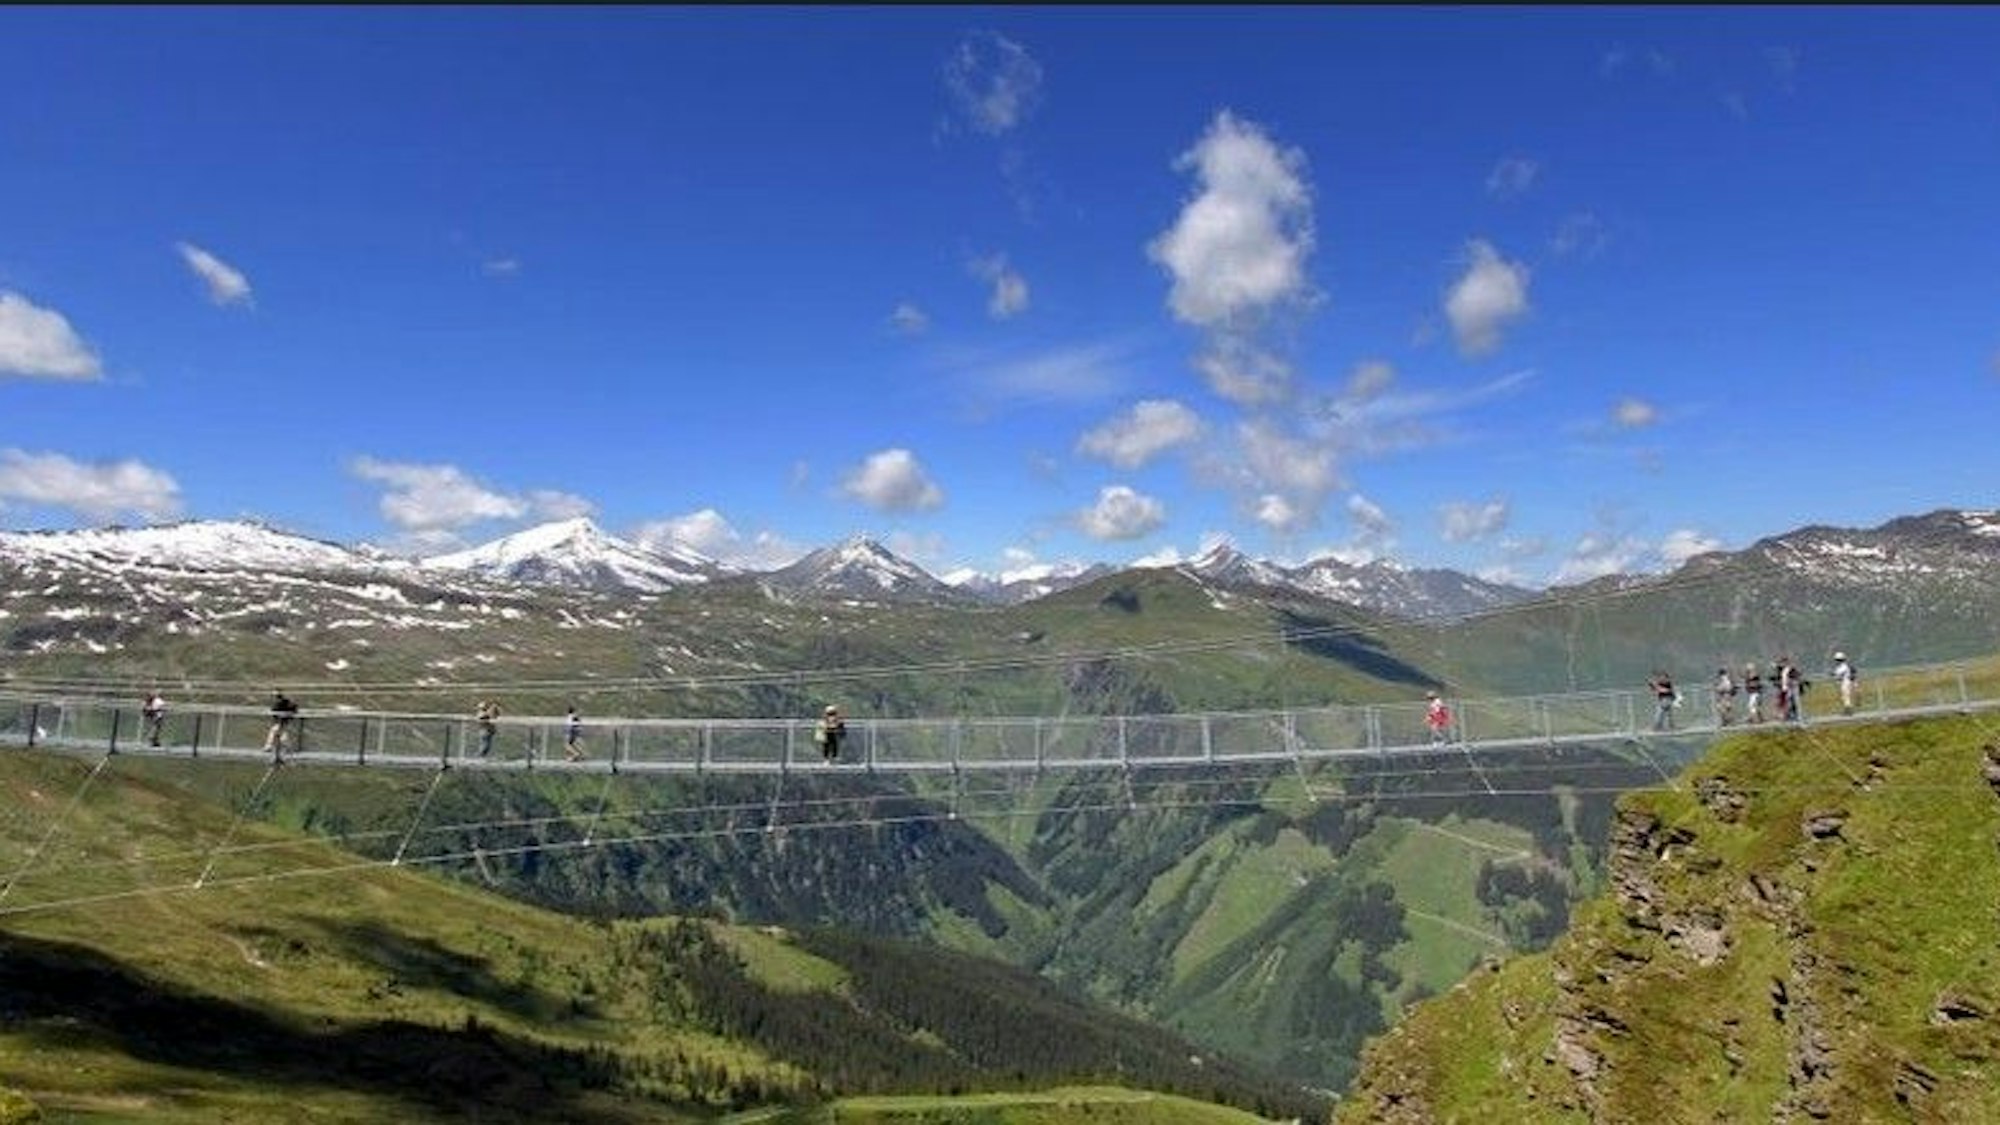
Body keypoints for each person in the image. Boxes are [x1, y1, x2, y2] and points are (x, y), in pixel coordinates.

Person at [265, 690, 299, 756]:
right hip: (282, 721)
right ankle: (287, 748)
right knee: (281, 733)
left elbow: (294, 708)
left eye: (275, 696)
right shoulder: (283, 702)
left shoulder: (282, 703)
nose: (274, 698)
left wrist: (290, 714)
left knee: (276, 731)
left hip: (283, 721)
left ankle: (269, 746)